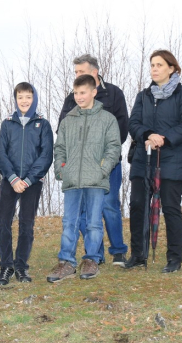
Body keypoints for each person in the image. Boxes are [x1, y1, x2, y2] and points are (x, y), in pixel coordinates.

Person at [47, 74, 121, 283]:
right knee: (69, 222)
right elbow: (59, 148)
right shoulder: (68, 121)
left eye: (83, 92)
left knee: (93, 223)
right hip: (72, 182)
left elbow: (114, 147)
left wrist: (103, 170)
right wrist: (61, 170)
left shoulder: (107, 119)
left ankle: (91, 260)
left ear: (93, 92)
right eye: (76, 93)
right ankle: (66, 263)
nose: (79, 97)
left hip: (96, 181)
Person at [58, 54, 129, 266]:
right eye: (76, 73)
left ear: (94, 72)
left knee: (108, 205)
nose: (78, 75)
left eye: (81, 71)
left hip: (105, 165)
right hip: (78, 168)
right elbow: (62, 128)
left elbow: (121, 128)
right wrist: (64, 166)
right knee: (81, 213)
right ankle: (95, 255)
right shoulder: (72, 98)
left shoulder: (114, 93)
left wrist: (105, 162)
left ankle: (118, 251)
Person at [126, 50, 182, 273]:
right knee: (139, 206)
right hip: (144, 159)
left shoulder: (181, 95)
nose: (154, 69)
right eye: (152, 65)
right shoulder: (143, 96)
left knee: (170, 208)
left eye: (159, 65)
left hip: (172, 161)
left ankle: (174, 258)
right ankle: (138, 255)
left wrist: (164, 138)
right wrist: (148, 134)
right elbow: (133, 123)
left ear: (172, 68)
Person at [0, 82, 53, 285]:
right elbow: (0, 155)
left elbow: (46, 156)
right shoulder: (7, 124)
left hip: (32, 183)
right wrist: (13, 178)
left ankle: (21, 266)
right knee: (3, 223)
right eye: (20, 97)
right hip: (10, 182)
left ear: (34, 98)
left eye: (28, 96)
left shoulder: (43, 124)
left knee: (26, 225)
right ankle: (6, 266)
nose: (24, 101)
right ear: (16, 99)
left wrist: (27, 180)